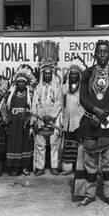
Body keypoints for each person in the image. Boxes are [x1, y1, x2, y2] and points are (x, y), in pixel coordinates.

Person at [74, 40, 109, 207]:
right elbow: (82, 98)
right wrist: (95, 111)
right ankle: (89, 194)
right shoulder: (87, 74)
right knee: (89, 162)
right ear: (94, 55)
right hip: (90, 122)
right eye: (99, 51)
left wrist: (104, 113)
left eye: (105, 51)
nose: (102, 54)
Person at [31, 41, 63, 176]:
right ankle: (40, 167)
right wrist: (38, 117)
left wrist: (51, 116)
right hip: (40, 119)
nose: (47, 75)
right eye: (45, 73)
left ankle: (55, 166)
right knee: (40, 143)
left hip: (53, 120)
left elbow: (59, 103)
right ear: (42, 74)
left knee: (54, 142)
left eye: (50, 73)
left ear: (53, 74)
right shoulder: (38, 88)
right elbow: (34, 103)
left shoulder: (56, 87)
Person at [6, 65, 36, 176]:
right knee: (14, 145)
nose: (21, 84)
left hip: (25, 124)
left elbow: (32, 108)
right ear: (16, 84)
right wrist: (8, 119)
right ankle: (15, 167)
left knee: (25, 145)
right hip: (14, 124)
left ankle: (24, 167)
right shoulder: (11, 95)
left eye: (23, 82)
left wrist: (29, 119)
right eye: (19, 82)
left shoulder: (30, 95)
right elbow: (7, 108)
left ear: (26, 84)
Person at [60, 57, 87, 176]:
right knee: (68, 145)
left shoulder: (83, 89)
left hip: (79, 121)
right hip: (67, 121)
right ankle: (67, 168)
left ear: (79, 76)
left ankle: (79, 168)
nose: (73, 77)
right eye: (71, 75)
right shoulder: (64, 88)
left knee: (80, 145)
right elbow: (61, 104)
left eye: (76, 75)